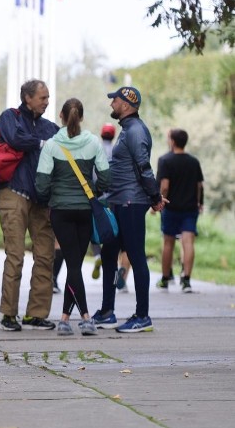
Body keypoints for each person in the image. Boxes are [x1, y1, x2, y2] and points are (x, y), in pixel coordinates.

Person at [92, 86, 166, 333]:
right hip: (119, 201)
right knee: (109, 255)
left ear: (126, 103)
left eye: (115, 100)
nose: (111, 103)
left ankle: (142, 316)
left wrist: (154, 196)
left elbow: (144, 168)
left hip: (131, 203)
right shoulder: (126, 131)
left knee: (135, 256)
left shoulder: (136, 131)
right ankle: (107, 311)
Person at [35, 98, 111, 337]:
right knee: (74, 264)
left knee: (73, 264)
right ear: (82, 117)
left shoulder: (51, 145)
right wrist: (93, 193)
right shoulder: (93, 143)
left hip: (61, 211)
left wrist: (51, 198)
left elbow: (41, 184)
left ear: (61, 116)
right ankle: (67, 319)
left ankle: (83, 318)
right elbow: (106, 179)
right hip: (85, 211)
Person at [0, 79, 59, 331]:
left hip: (42, 200)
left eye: (48, 97)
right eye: (42, 97)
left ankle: (36, 313)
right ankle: (8, 314)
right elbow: (15, 139)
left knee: (45, 255)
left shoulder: (51, 128)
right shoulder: (10, 118)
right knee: (15, 255)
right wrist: (41, 143)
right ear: (27, 98)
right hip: (14, 192)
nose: (47, 101)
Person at [156, 128, 204, 293]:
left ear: (173, 141)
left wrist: (158, 202)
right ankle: (186, 281)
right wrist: (199, 202)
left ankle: (164, 279)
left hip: (171, 208)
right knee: (188, 242)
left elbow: (164, 186)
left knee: (168, 243)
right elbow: (199, 185)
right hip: (190, 208)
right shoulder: (194, 161)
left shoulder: (165, 160)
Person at [89, 123, 116, 280]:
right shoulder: (116, 150)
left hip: (97, 195)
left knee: (95, 227)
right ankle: (109, 258)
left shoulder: (96, 150)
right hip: (112, 196)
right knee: (111, 227)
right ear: (113, 135)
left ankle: (97, 255)